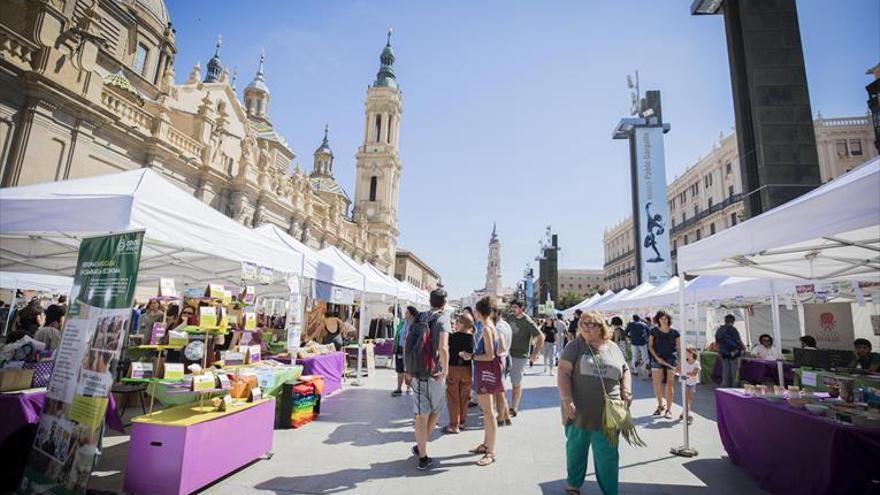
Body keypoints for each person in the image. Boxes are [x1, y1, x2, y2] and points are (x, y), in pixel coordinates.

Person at [558, 310, 631, 495]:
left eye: (590, 324)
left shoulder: (613, 347)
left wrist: (626, 390)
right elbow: (563, 373)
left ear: (600, 327)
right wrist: (566, 399)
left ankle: (610, 491)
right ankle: (573, 485)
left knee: (608, 456)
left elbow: (626, 369)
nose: (585, 328)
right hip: (578, 411)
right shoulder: (574, 347)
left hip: (609, 412)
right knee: (576, 450)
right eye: (582, 324)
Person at [404, 288, 450, 471]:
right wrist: (445, 371)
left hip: (418, 371)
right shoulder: (443, 319)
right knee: (436, 410)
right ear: (444, 302)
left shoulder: (419, 316)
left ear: (430, 301)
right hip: (435, 373)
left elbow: (409, 343)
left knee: (422, 415)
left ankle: (421, 449)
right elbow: (443, 347)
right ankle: (422, 453)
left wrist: (409, 369)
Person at [459, 296, 503, 466]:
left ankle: (491, 452)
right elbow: (500, 349)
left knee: (488, 412)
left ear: (478, 312)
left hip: (485, 371)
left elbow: (490, 354)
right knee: (487, 412)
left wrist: (471, 356)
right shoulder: (492, 326)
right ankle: (486, 444)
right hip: (487, 371)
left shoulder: (486, 328)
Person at [505, 300, 544, 417]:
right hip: (507, 354)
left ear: (522, 308)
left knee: (515, 383)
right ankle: (502, 406)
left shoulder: (528, 321)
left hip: (520, 356)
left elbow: (541, 337)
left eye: (515, 307)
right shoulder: (510, 317)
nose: (513, 309)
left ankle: (514, 408)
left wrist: (534, 354)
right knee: (500, 381)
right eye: (512, 307)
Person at [444, 313, 475, 433]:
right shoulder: (472, 337)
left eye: (458, 322)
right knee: (464, 397)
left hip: (453, 368)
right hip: (467, 369)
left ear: (462, 323)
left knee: (453, 397)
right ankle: (462, 422)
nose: (456, 324)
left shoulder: (452, 337)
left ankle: (453, 425)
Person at [648, 310, 680, 419]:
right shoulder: (653, 331)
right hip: (657, 359)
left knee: (670, 385)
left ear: (669, 319)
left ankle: (669, 409)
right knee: (657, 384)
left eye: (666, 318)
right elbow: (650, 346)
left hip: (671, 359)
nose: (664, 320)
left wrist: (679, 362)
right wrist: (657, 357)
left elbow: (679, 348)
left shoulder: (675, 332)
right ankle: (660, 405)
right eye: (662, 318)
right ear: (658, 320)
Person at [492, 308, 512, 426]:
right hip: (506, 358)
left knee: (499, 390)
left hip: (500, 359)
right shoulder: (506, 325)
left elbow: (502, 346)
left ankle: (501, 417)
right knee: (501, 390)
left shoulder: (498, 327)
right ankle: (506, 416)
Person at [392, 306, 418, 397]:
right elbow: (398, 335)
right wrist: (395, 346)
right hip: (400, 348)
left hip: (409, 349)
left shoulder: (415, 325)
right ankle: (399, 388)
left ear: (411, 314)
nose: (405, 314)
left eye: (407, 312)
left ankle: (409, 387)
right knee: (399, 369)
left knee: (409, 369)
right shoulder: (403, 323)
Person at [714, 314, 744, 388]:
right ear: (733, 321)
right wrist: (743, 348)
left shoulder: (720, 329)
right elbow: (738, 341)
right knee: (734, 371)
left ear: (725, 320)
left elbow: (717, 342)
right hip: (734, 353)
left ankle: (725, 386)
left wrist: (719, 352)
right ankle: (735, 387)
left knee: (725, 370)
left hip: (724, 352)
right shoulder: (733, 329)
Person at [678, 346, 700, 424]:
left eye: (687, 353)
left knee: (689, 399)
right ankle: (688, 415)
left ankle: (685, 412)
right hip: (685, 383)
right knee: (686, 398)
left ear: (692, 353)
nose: (685, 354)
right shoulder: (683, 361)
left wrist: (685, 374)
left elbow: (694, 373)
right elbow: (679, 370)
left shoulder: (696, 363)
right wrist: (680, 371)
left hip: (693, 383)